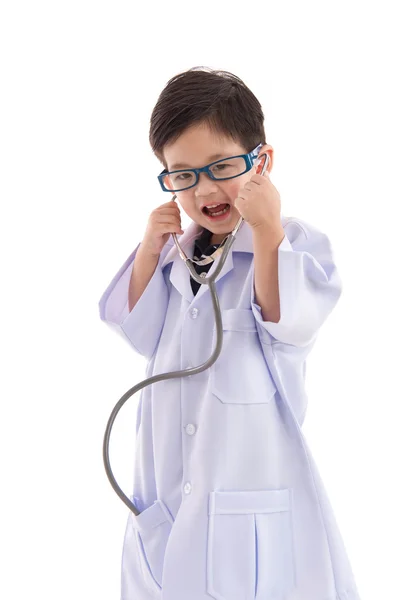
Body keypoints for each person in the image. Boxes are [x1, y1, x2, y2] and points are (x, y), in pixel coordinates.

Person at [98, 67, 361, 600]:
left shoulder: (292, 246)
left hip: (250, 507)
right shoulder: (178, 255)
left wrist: (266, 230)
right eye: (183, 175)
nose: (205, 189)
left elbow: (291, 325)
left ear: (260, 163)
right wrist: (151, 248)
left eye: (221, 166)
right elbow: (138, 329)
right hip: (168, 506)